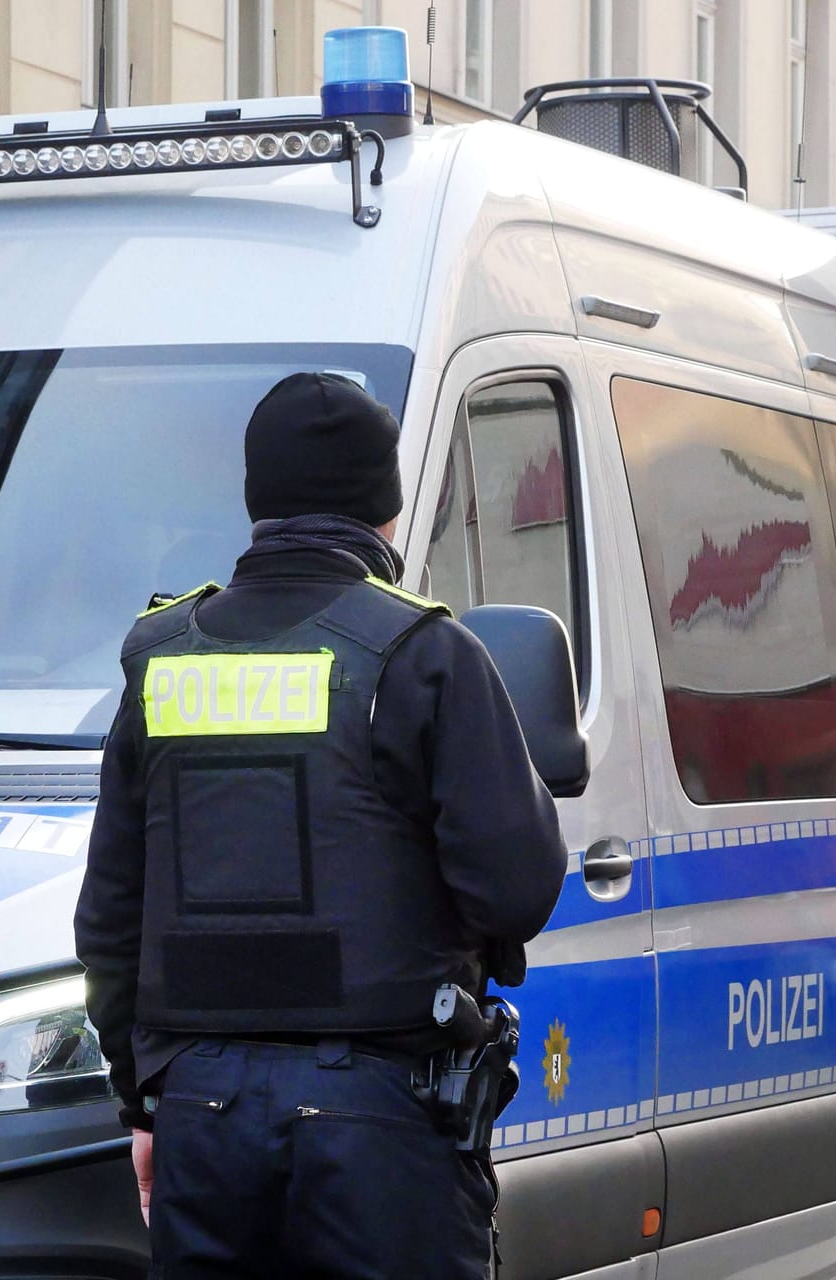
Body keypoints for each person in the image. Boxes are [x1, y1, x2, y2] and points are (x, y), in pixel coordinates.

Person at [74, 371, 569, 1279]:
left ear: (258, 500)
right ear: (385, 511)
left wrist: (143, 1106)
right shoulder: (422, 653)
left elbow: (108, 920)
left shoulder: (163, 662)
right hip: (383, 1122)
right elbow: (518, 886)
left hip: (201, 1122)